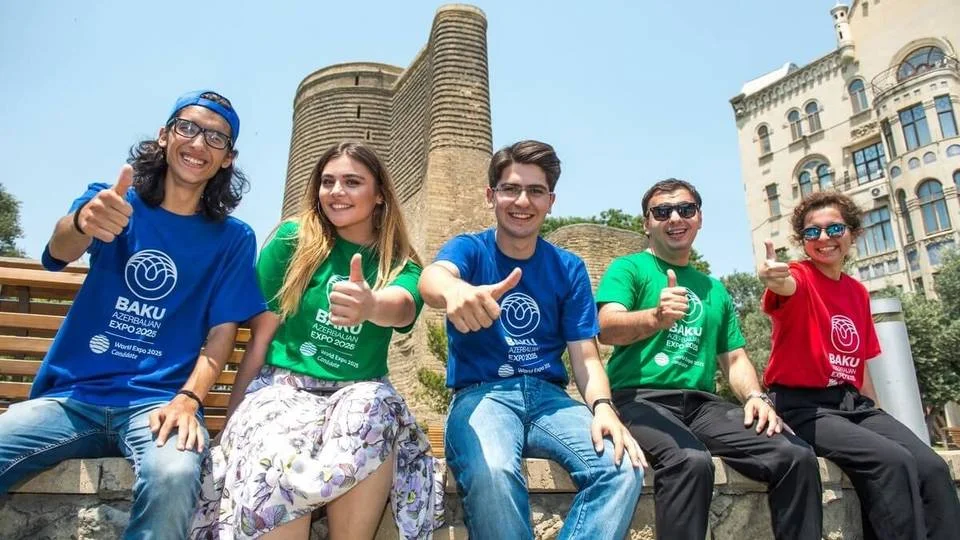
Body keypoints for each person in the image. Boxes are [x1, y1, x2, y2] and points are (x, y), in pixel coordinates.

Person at [0, 90, 266, 539]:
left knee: (175, 474)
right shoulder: (111, 201)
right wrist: (84, 222)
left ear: (227, 159)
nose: (199, 143)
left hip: (159, 405)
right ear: (164, 136)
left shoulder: (233, 238)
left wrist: (190, 398)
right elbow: (60, 249)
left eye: (216, 138)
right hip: (72, 399)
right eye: (188, 127)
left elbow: (222, 333)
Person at [191, 142, 442, 540]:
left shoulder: (399, 262)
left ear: (379, 195)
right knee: (275, 439)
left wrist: (370, 303)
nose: (336, 191)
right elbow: (261, 340)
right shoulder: (294, 241)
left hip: (357, 393)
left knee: (373, 409)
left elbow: (403, 308)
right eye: (328, 182)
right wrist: (233, 419)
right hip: (285, 386)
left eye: (352, 182)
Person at [418, 140, 644, 540]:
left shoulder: (567, 267)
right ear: (491, 195)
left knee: (621, 468)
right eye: (511, 189)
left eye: (535, 191)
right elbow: (432, 278)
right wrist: (455, 292)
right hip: (481, 394)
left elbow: (587, 358)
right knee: (493, 471)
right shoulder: (470, 249)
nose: (522, 201)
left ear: (551, 200)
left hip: (550, 400)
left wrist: (605, 408)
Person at [596, 178, 822, 540]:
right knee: (690, 461)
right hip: (639, 397)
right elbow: (606, 327)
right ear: (646, 223)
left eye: (686, 209)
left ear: (699, 218)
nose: (675, 218)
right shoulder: (630, 269)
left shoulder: (714, 288)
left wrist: (755, 397)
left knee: (796, 455)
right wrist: (655, 317)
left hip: (702, 405)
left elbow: (734, 358)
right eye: (662, 211)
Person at [759, 190, 960, 540]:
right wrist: (773, 276)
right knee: (890, 462)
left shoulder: (857, 292)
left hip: (852, 404)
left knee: (932, 465)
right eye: (812, 232)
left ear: (852, 233)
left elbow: (860, 367)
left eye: (834, 229)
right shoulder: (799, 275)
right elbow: (784, 284)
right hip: (803, 407)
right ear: (802, 241)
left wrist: (878, 416)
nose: (824, 239)